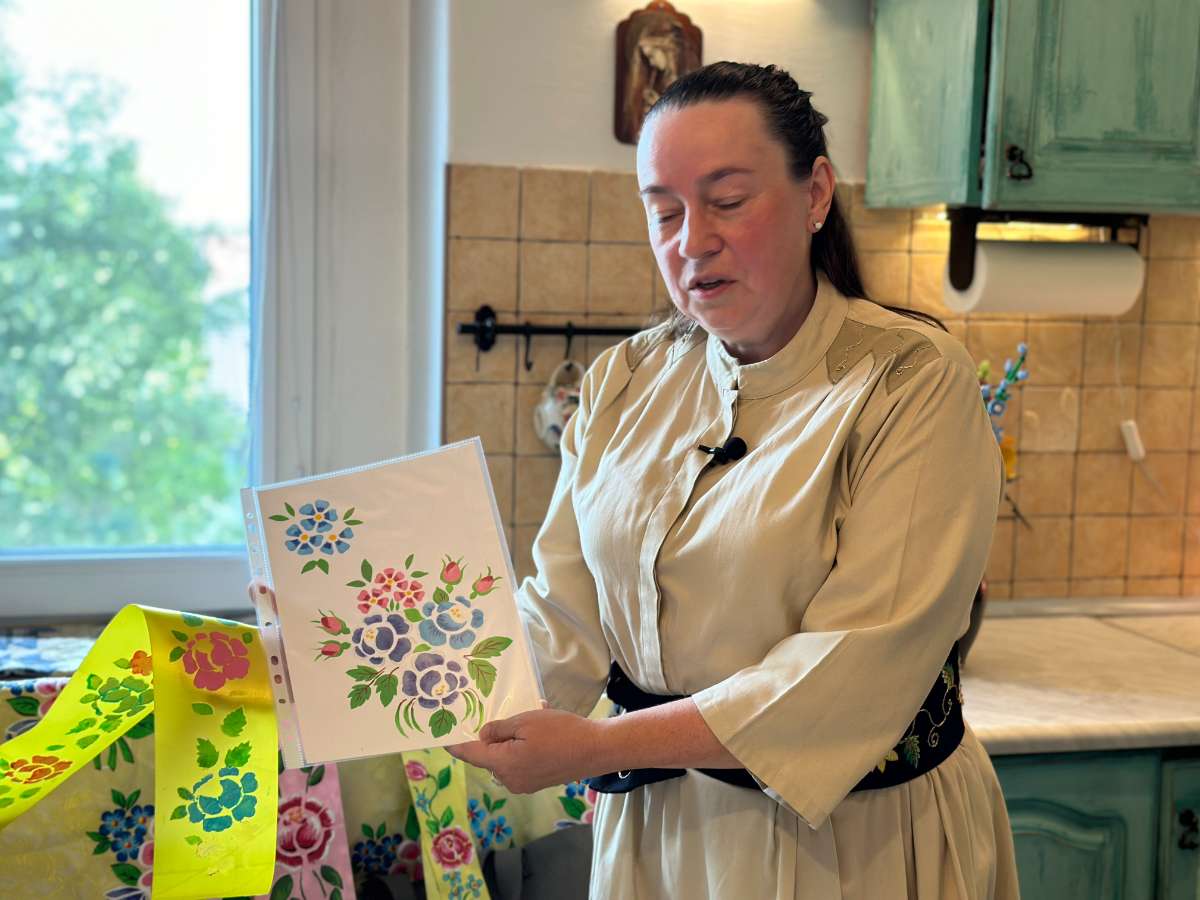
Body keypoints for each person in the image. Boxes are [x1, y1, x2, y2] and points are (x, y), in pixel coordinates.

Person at [447, 61, 1020, 899]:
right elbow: (564, 617)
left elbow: (853, 669)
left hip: (852, 845)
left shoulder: (910, 380)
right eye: (664, 212)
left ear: (815, 193)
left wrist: (602, 748)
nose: (692, 241)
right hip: (659, 840)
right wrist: (357, 651)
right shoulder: (623, 382)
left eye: (727, 200)